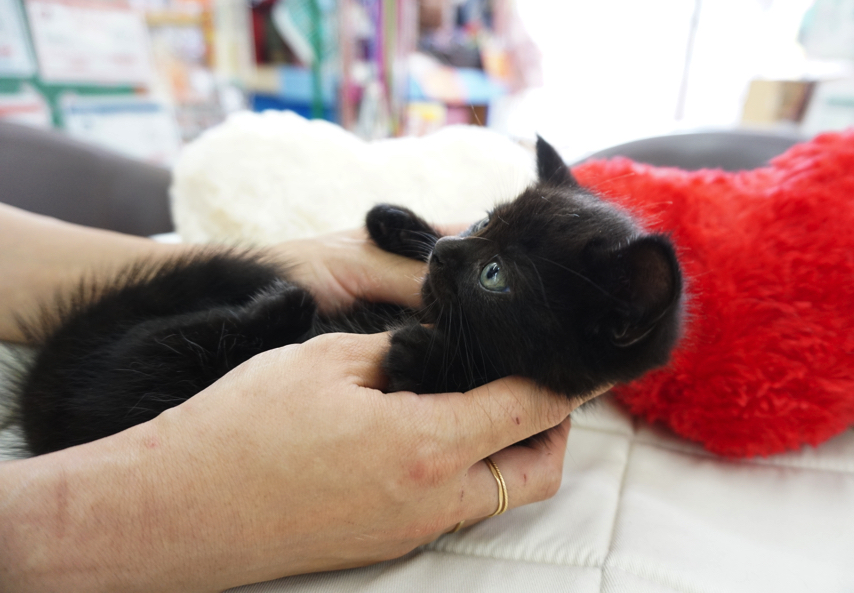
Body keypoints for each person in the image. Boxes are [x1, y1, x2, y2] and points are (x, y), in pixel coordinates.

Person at [0, 202, 608, 592]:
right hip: (105, 407)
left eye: (495, 271)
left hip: (96, 398)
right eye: (478, 227)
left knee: (260, 300)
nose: (446, 251)